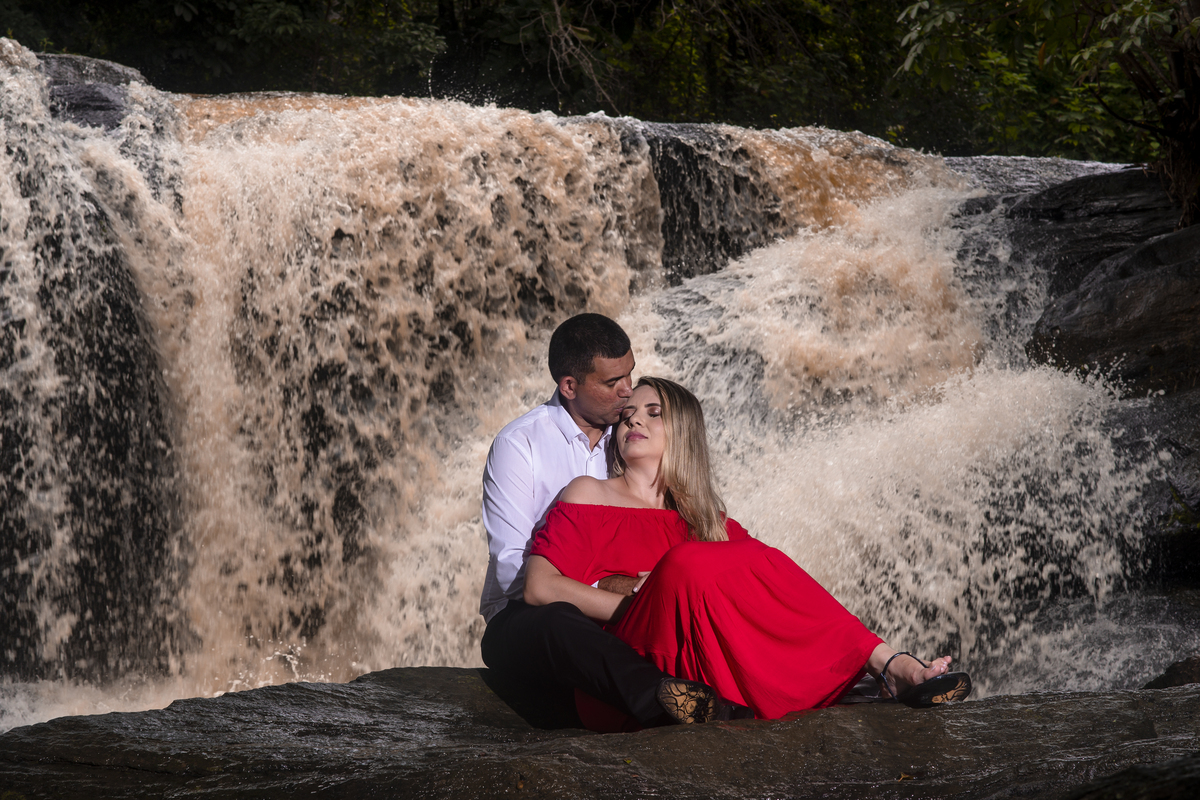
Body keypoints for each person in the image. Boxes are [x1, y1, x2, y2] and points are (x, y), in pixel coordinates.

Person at [523, 376, 972, 729]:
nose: (633, 422)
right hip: (630, 669)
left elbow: (774, 590)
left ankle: (887, 663)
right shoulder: (589, 493)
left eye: (653, 413)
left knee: (764, 560)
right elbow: (540, 588)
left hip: (699, 676)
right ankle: (886, 669)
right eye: (626, 415)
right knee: (687, 562)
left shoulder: (706, 519)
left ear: (682, 431)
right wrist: (639, 600)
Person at [480, 314, 749, 727]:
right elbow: (513, 575)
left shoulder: (632, 433)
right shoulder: (521, 445)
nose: (628, 393)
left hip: (623, 623)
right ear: (569, 386)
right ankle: (667, 700)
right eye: (612, 383)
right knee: (557, 619)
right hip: (528, 623)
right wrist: (614, 589)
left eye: (630, 375)